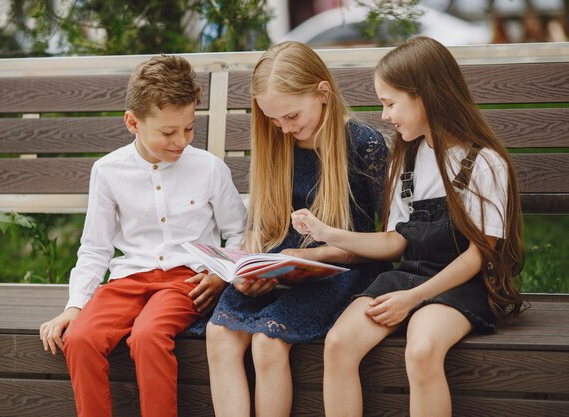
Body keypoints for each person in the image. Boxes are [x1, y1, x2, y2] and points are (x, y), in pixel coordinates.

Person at [291, 36, 525, 417]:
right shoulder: (408, 158)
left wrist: (413, 300)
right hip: (412, 276)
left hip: (463, 283)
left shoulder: (483, 163)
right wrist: (326, 233)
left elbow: (478, 255)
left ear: (425, 96)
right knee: (338, 343)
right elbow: (397, 241)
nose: (384, 115)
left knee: (421, 349)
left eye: (389, 102)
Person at [38, 55, 246, 417]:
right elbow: (96, 247)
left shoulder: (209, 168)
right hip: (128, 280)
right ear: (132, 122)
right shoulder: (108, 171)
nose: (181, 140)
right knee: (81, 338)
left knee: (148, 337)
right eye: (168, 132)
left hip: (186, 281)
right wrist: (75, 306)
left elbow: (237, 232)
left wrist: (220, 275)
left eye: (189, 128)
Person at [205, 41, 390, 417]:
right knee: (218, 334)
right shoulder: (277, 141)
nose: (284, 128)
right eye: (273, 120)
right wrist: (244, 268)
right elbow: (260, 225)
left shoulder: (363, 144)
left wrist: (314, 254)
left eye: (291, 116)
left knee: (268, 341)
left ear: (323, 92)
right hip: (279, 268)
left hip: (340, 270)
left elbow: (387, 241)